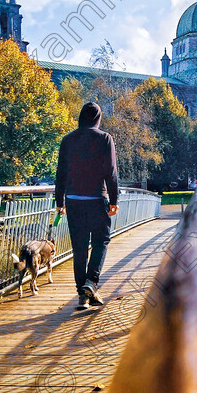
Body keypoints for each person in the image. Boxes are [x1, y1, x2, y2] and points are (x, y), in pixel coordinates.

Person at [55, 102, 119, 310]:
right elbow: (110, 172)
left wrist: (59, 201)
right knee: (101, 241)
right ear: (98, 118)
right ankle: (91, 283)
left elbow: (61, 173)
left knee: (79, 248)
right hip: (96, 200)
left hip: (74, 201)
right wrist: (114, 199)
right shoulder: (105, 139)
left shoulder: (68, 140)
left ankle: (83, 295)